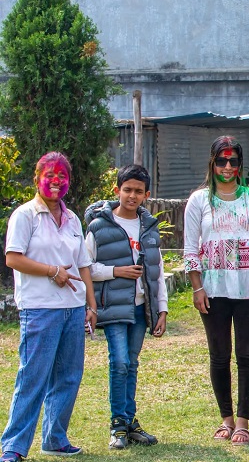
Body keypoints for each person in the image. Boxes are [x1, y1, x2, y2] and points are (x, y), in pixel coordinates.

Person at [1, 152, 97, 461]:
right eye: (50, 175)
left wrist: (91, 305)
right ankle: (13, 447)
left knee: (68, 377)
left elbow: (83, 265)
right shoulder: (25, 215)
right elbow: (13, 258)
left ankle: (55, 439)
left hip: (73, 308)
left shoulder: (72, 219)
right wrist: (51, 271)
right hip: (40, 309)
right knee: (33, 377)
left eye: (62, 176)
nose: (56, 181)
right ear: (36, 178)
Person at [183, 136, 249, 446]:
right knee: (219, 356)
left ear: (240, 164)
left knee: (247, 356)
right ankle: (226, 419)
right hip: (213, 288)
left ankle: (243, 422)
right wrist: (197, 287)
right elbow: (190, 248)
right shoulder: (199, 200)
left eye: (233, 161)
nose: (227, 167)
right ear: (212, 163)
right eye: (221, 161)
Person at [84, 164, 167, 449]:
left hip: (141, 308)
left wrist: (162, 309)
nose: (132, 196)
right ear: (117, 190)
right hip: (113, 306)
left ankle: (130, 422)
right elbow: (85, 267)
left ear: (147, 195)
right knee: (118, 363)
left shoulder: (149, 227)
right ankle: (117, 424)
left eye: (138, 191)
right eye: (127, 190)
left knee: (131, 364)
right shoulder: (99, 226)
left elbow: (157, 271)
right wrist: (115, 271)